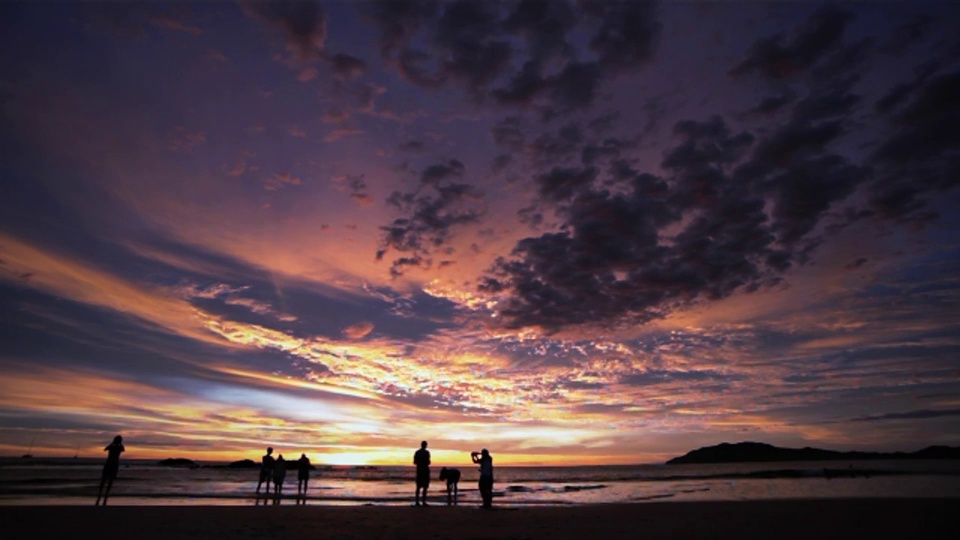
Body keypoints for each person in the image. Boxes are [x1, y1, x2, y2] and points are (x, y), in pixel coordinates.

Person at [95, 435, 125, 506]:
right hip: (114, 464)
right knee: (110, 480)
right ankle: (106, 494)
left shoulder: (112, 446)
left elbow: (105, 449)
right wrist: (118, 444)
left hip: (109, 463)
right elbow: (123, 449)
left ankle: (100, 494)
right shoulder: (120, 447)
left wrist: (112, 443)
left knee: (104, 479)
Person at [413, 440, 431, 506]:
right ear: (425, 445)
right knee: (425, 487)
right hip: (425, 471)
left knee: (418, 487)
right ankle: (423, 501)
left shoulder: (417, 452)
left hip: (419, 471)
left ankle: (417, 501)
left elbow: (414, 462)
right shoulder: (427, 453)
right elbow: (429, 462)